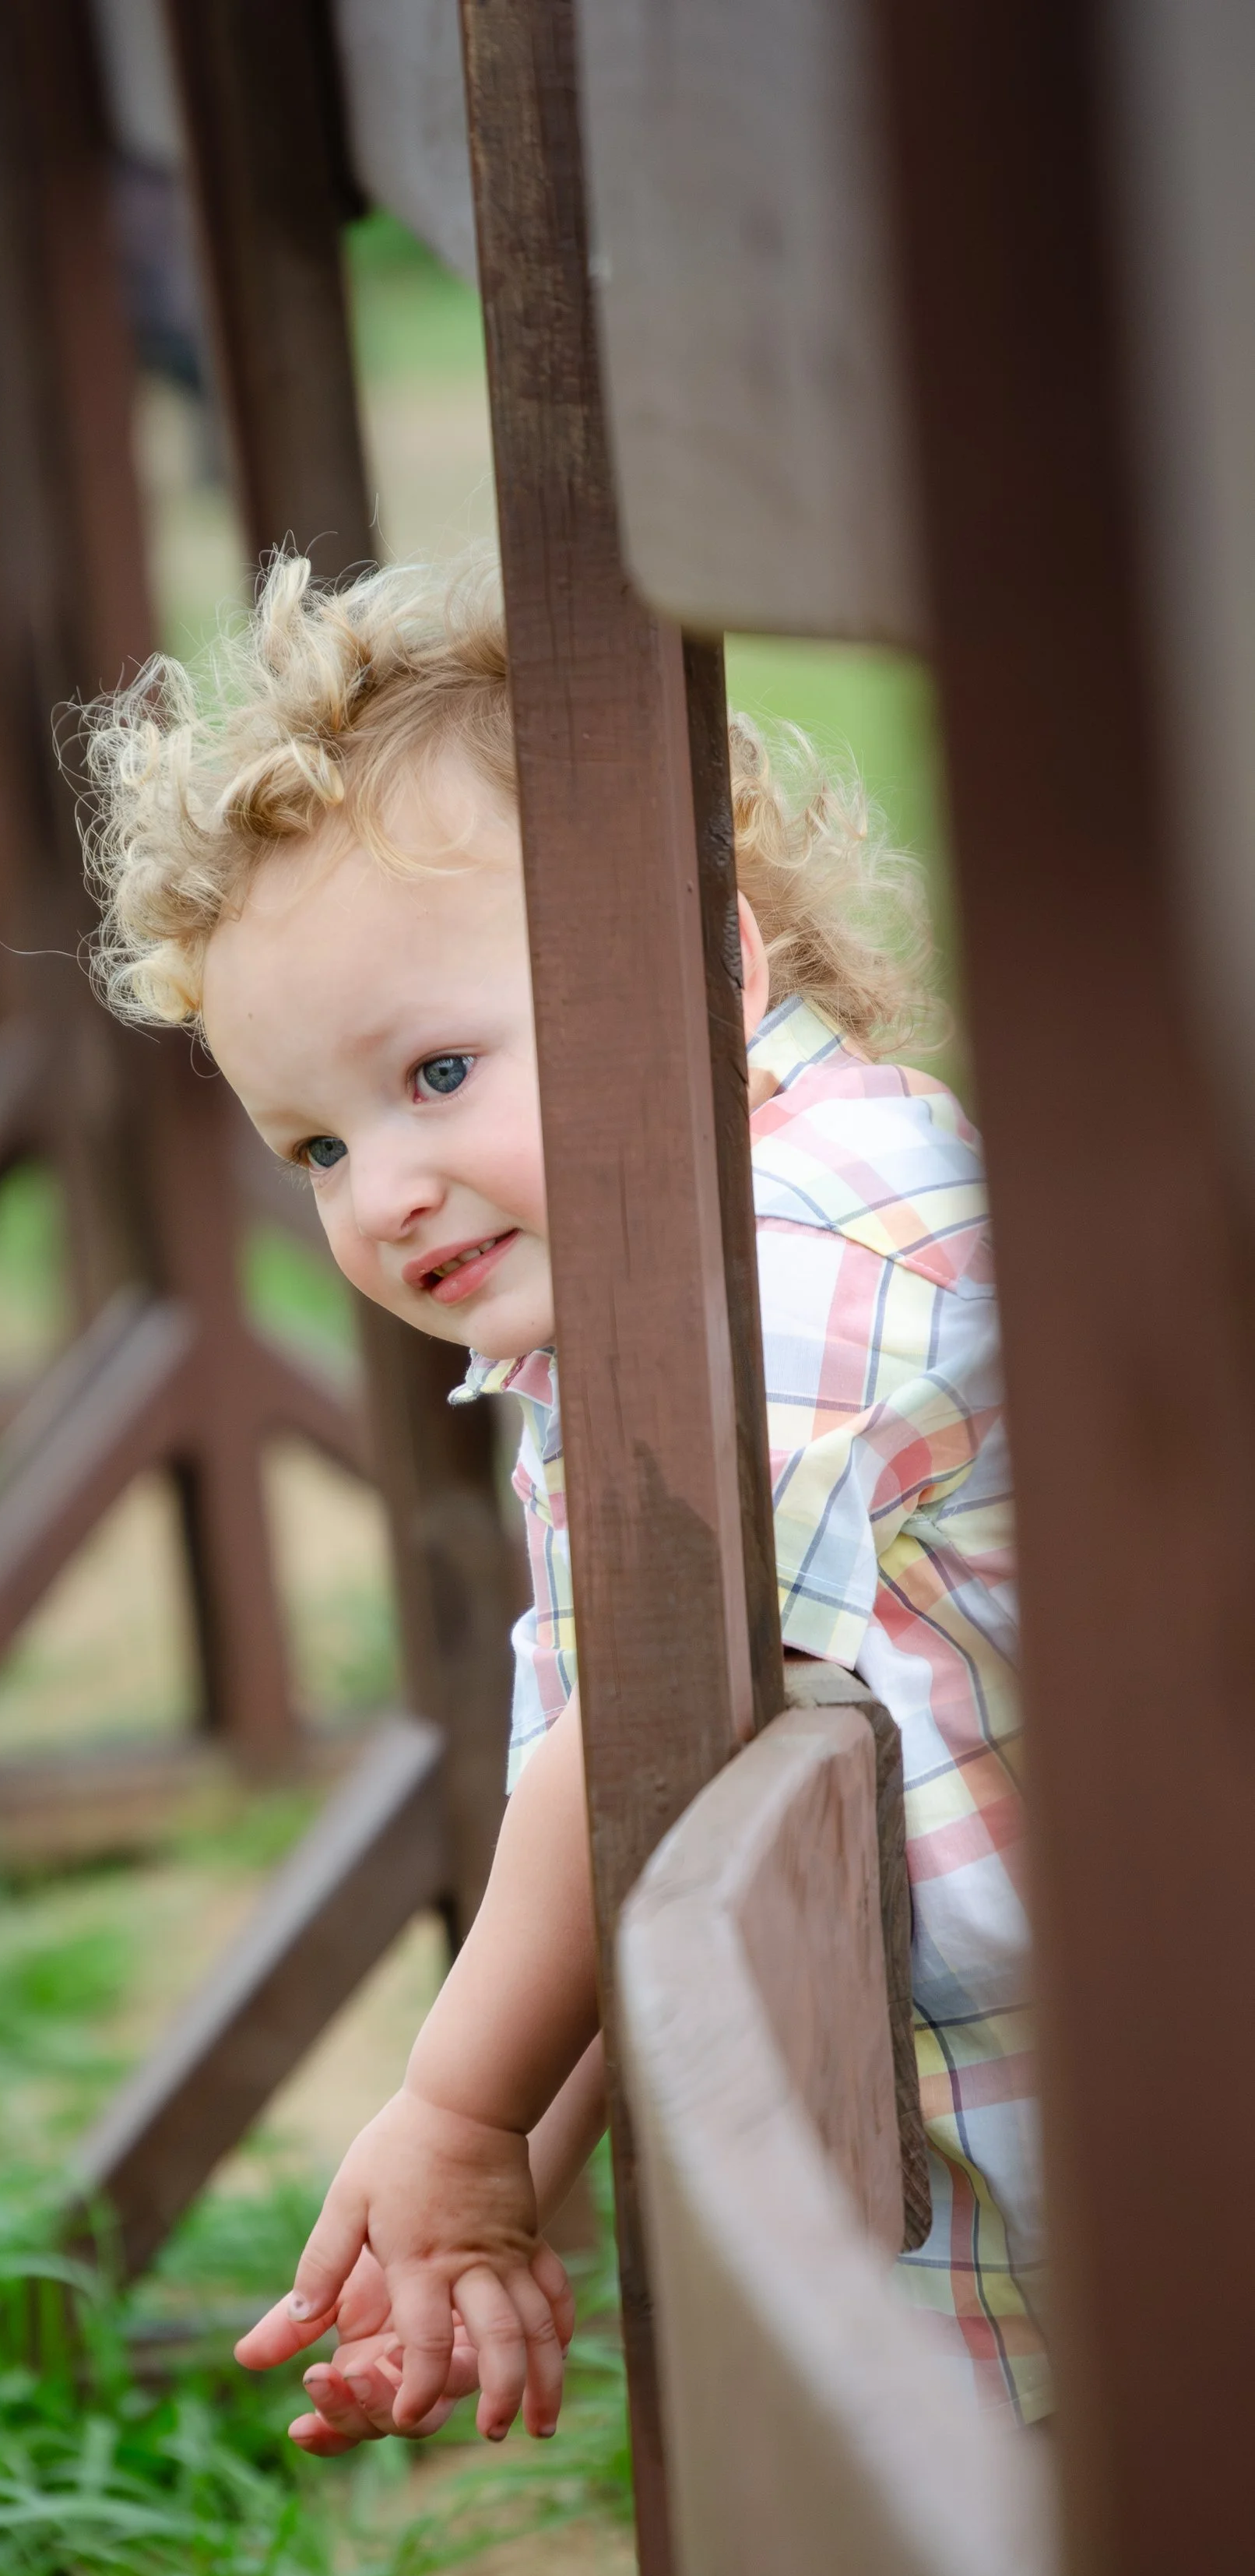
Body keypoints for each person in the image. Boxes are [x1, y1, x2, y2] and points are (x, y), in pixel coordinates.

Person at [80, 551, 1047, 2455]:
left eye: (437, 1072)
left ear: (698, 965)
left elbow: (637, 1725)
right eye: (318, 1146)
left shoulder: (811, 1240)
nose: (381, 1194)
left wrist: (450, 2113)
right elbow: (659, 1796)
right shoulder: (638, 1294)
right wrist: (501, 2167)